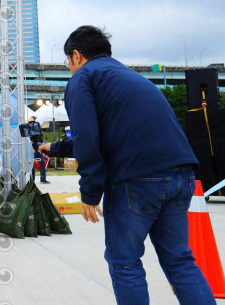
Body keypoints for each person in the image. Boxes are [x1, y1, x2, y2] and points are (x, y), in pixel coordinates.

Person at [40, 25, 214, 304]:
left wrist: (90, 191)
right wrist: (57, 148)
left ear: (76, 55)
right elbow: (108, 134)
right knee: (179, 261)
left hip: (137, 178)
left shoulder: (82, 78)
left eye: (68, 62)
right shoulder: (132, 78)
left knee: (125, 261)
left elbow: (86, 135)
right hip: (181, 174)